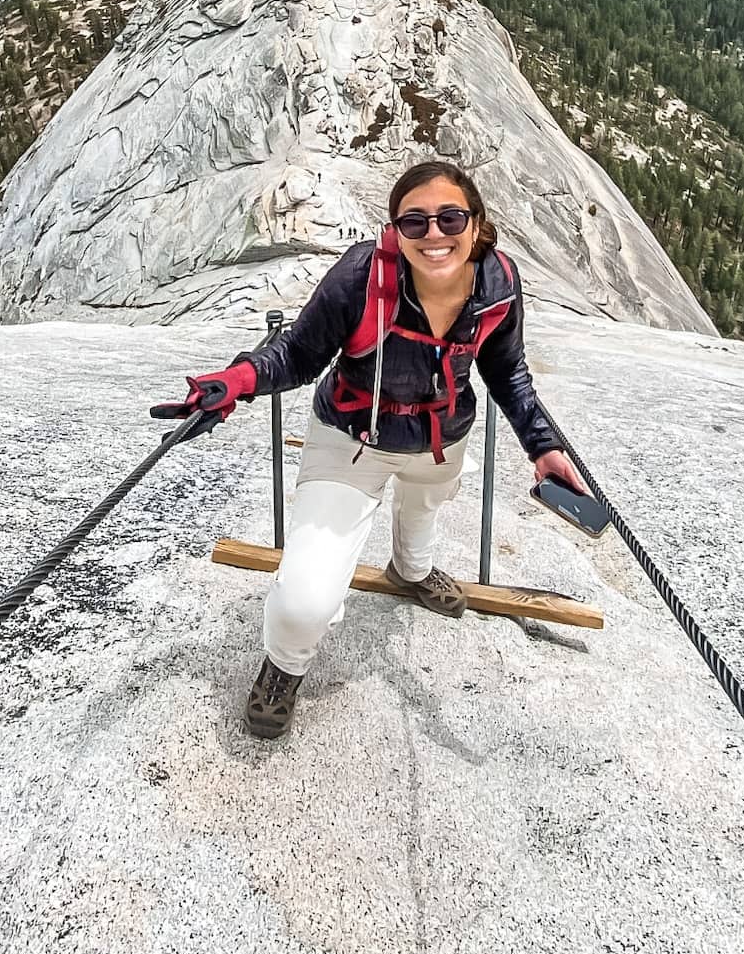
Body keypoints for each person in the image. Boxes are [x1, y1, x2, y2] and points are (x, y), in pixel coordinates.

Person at [152, 160, 588, 740]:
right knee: (304, 601)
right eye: (415, 223)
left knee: (423, 514)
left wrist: (543, 446)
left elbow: (505, 371)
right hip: (351, 440)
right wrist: (235, 383)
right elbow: (298, 356)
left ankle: (410, 572)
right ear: (395, 230)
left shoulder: (498, 284)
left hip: (439, 439)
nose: (434, 234)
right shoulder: (362, 278)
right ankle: (285, 664)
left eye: (450, 217)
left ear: (476, 223)